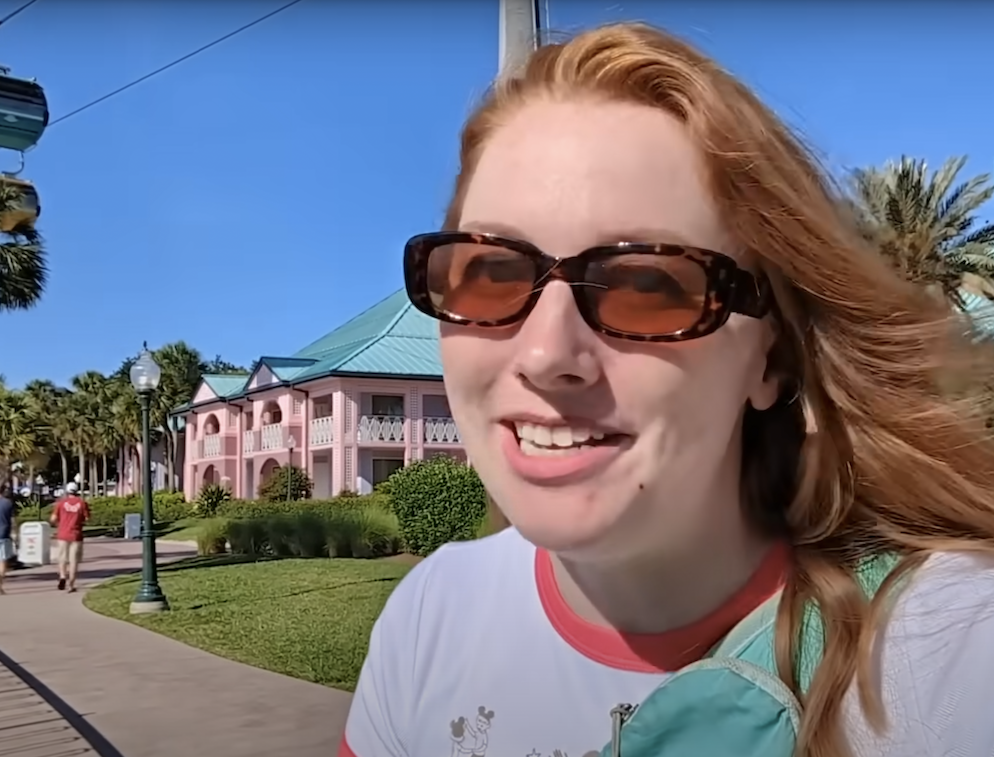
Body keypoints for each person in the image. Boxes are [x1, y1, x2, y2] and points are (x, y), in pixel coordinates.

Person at [340, 22, 994, 757]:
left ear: (770, 358)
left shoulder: (942, 659)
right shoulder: (430, 617)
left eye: (648, 285)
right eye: (491, 273)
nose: (549, 352)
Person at [50, 482, 90, 593]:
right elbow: (87, 519)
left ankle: (62, 576)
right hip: (76, 535)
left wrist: (59, 523)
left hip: (62, 534)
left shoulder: (61, 503)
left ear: (67, 491)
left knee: (62, 557)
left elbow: (53, 519)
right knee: (74, 561)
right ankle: (71, 585)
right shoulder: (82, 503)